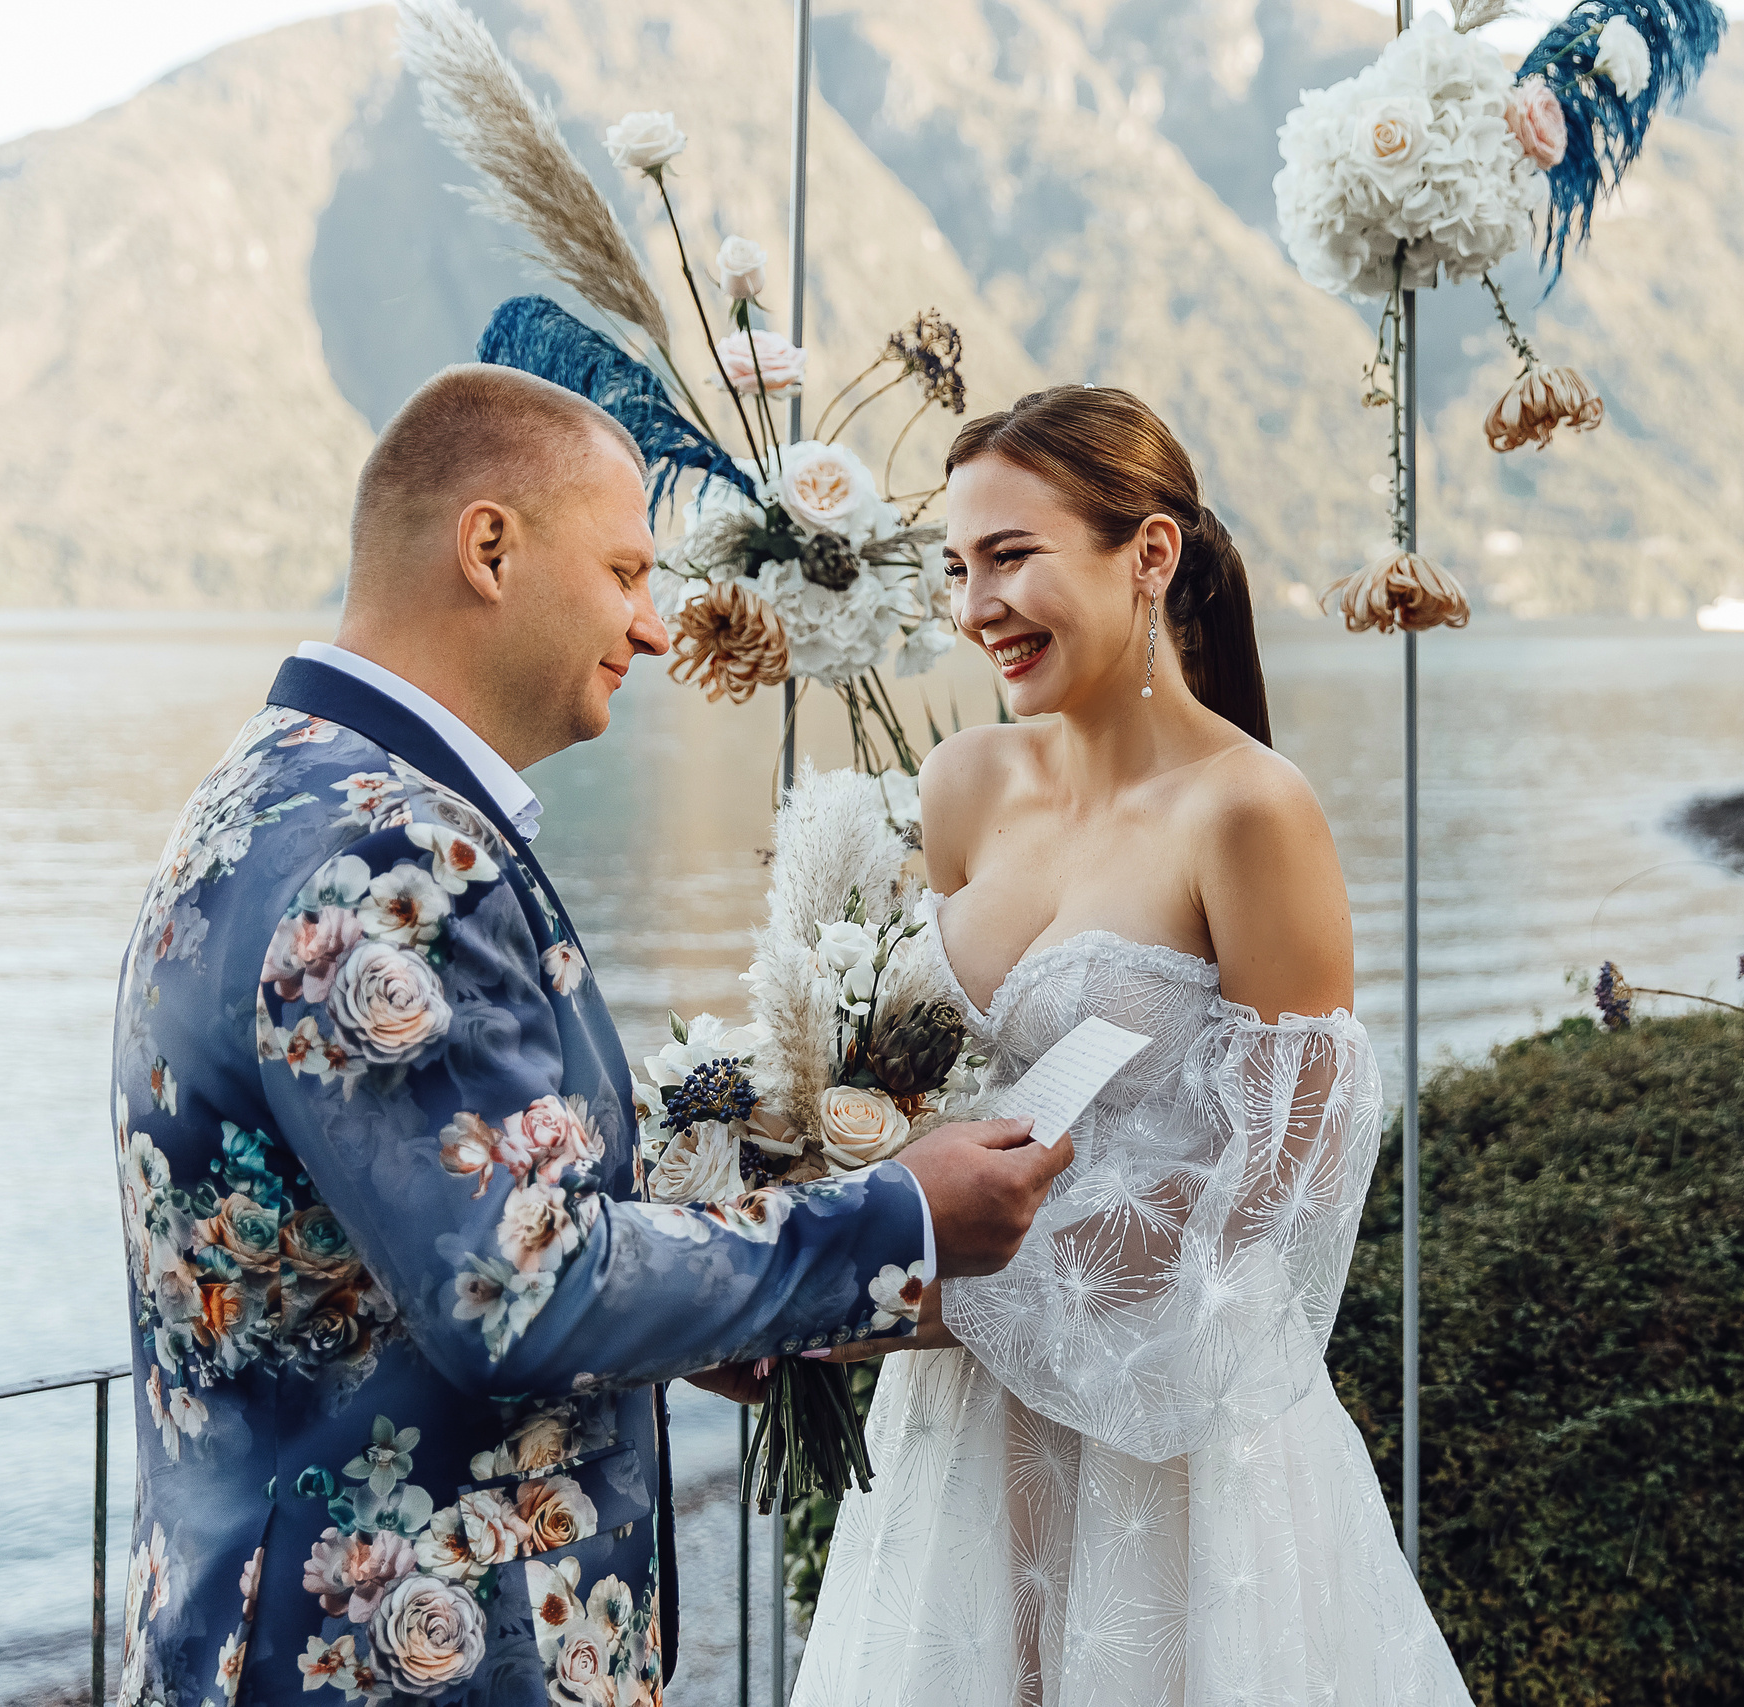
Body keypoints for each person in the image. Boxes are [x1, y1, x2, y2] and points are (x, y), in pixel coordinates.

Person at [107, 363, 1065, 1705]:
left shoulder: (264, 788)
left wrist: (699, 1308)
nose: (659, 627)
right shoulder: (395, 849)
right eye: (625, 571)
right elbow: (521, 1290)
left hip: (240, 1630)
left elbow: (420, 1251)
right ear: (490, 548)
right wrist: (897, 1216)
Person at [787, 386, 1473, 1706]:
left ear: (1148, 555)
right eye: (956, 566)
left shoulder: (1252, 813)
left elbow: (1267, 1191)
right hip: (959, 1450)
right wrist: (810, 1205)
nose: (976, 603)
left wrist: (912, 1294)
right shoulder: (962, 788)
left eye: (1012, 556)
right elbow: (929, 1092)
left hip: (1171, 1457)